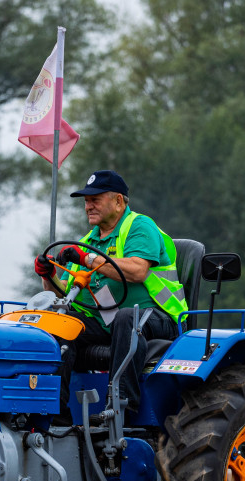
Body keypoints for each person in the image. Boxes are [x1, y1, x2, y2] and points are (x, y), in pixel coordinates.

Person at [33, 170, 185, 416]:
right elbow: (62, 293)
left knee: (127, 317)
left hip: (160, 317)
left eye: (95, 199)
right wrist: (46, 274)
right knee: (60, 323)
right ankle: (54, 416)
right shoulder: (88, 241)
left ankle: (120, 409)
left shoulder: (139, 226)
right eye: (86, 201)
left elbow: (137, 270)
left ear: (118, 201)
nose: (88, 206)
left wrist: (88, 259)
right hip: (107, 322)